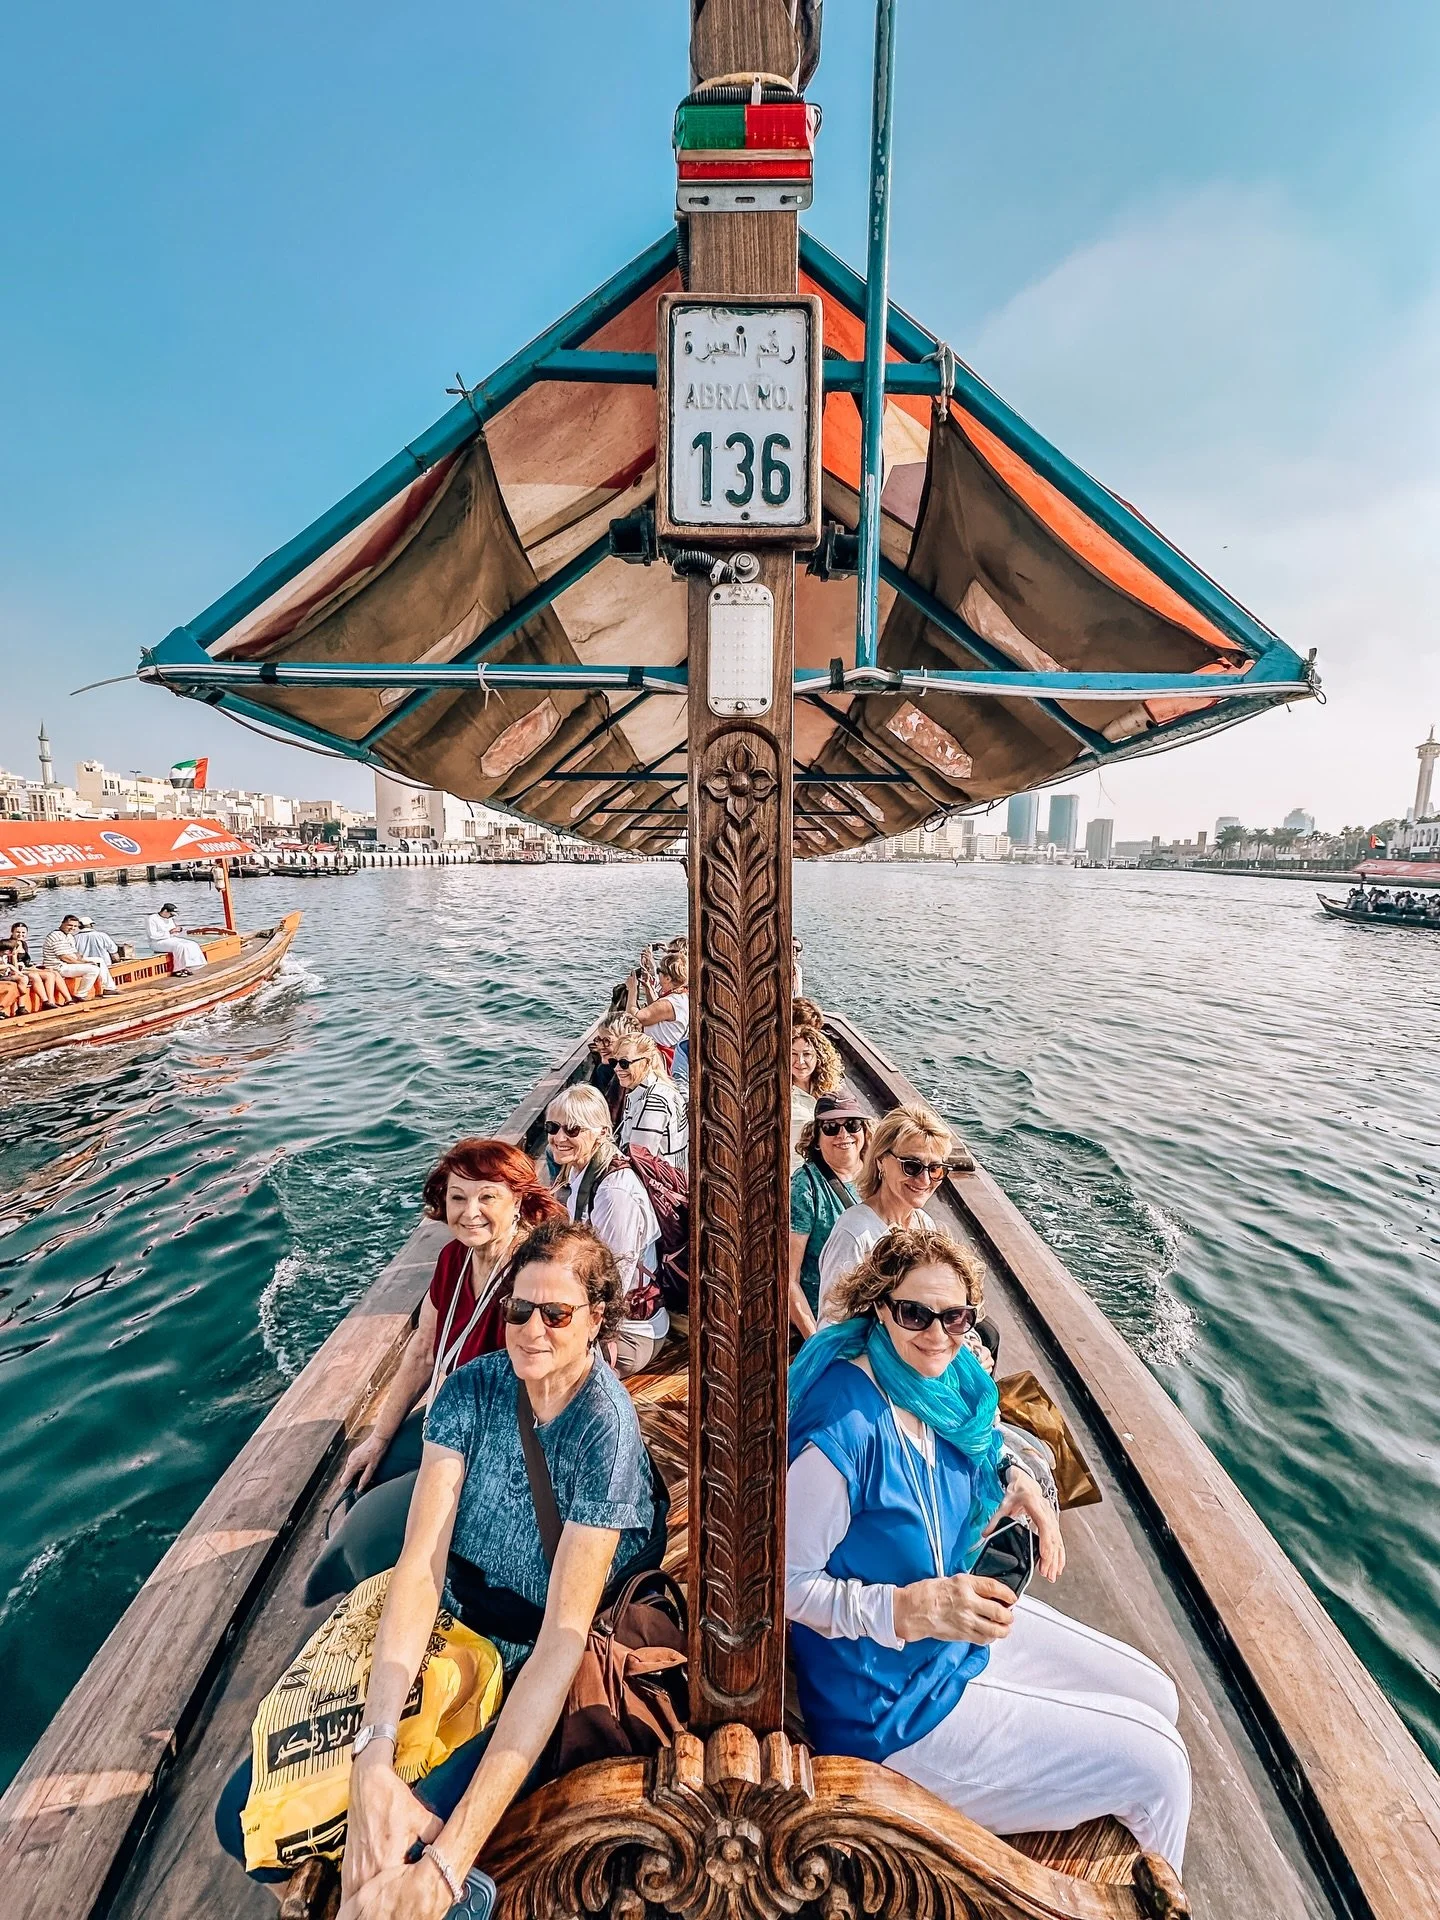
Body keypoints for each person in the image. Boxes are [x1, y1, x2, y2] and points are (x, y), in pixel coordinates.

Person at [217, 1220, 661, 1907]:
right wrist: (373, 1751)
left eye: (557, 1313)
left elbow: (560, 1644)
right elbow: (421, 1568)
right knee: (238, 1818)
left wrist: (447, 1862)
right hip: (447, 1620)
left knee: (410, 1858)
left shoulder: (603, 1431)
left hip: (526, 1651)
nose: (532, 1329)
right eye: (519, 1308)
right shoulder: (471, 1393)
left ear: (597, 1318)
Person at [786, 1226, 1190, 1871]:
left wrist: (1017, 1476)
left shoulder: (945, 1384)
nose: (937, 1332)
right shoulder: (843, 1428)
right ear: (877, 1308)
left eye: (955, 1316)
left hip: (952, 1633)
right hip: (888, 1703)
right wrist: (908, 1610)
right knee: (1162, 1767)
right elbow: (785, 1584)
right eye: (914, 1313)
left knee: (1159, 1695)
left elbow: (985, 1442)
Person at [306, 1141, 566, 1606]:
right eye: (458, 1197)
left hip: (505, 1454)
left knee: (361, 1535)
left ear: (519, 1201)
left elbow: (551, 1399)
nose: (470, 1213)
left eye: (488, 1197)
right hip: (450, 1422)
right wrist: (379, 1437)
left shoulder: (534, 1277)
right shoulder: (454, 1258)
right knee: (364, 1477)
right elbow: (425, 1349)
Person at [545, 1083, 669, 1377]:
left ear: (601, 1132)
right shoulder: (581, 1172)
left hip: (629, 1332)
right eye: (553, 1127)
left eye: (573, 1130)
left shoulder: (614, 1192)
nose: (559, 1138)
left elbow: (614, 1281)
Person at [817, 1103, 957, 1317]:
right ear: (881, 1160)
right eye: (912, 1166)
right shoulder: (854, 1234)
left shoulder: (924, 1224)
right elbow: (832, 1323)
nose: (925, 1179)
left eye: (935, 1169)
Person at [790, 1095, 871, 1339]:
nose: (843, 1134)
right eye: (831, 1128)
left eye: (852, 1125)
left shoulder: (879, 1175)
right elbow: (789, 1278)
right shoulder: (806, 1187)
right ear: (816, 1138)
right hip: (831, 1315)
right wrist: (816, 1341)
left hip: (874, 1304)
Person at [614, 1031, 688, 1171]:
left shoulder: (653, 1102)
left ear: (647, 1062)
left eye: (624, 1063)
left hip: (658, 1186)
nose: (617, 1068)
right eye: (614, 1062)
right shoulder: (661, 1089)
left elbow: (639, 1161)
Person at [625, 948, 689, 1074]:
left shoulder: (669, 1003)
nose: (658, 973)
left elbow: (635, 1018)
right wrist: (648, 989)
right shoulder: (681, 996)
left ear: (668, 978)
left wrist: (632, 990)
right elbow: (656, 1014)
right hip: (669, 1052)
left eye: (659, 971)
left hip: (658, 1058)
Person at [790, 1023, 843, 1164]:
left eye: (807, 1054)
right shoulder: (780, 1094)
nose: (800, 1062)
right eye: (793, 1054)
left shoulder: (830, 1091)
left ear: (819, 1057)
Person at [43, 914, 117, 997]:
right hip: (58, 967)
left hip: (68, 964)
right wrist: (83, 964)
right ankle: (81, 994)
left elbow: (75, 953)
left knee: (99, 960)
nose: (72, 928)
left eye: (75, 926)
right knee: (93, 969)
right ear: (62, 923)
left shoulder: (69, 936)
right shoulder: (56, 936)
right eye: (69, 925)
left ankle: (109, 988)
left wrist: (82, 960)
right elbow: (64, 957)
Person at [147, 902, 207, 972]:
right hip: (157, 942)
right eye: (171, 914)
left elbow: (173, 931)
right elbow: (153, 935)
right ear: (165, 911)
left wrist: (177, 930)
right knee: (180, 946)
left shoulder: (169, 918)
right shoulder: (152, 919)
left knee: (192, 944)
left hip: (170, 939)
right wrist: (169, 932)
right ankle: (178, 969)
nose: (172, 917)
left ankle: (190, 966)